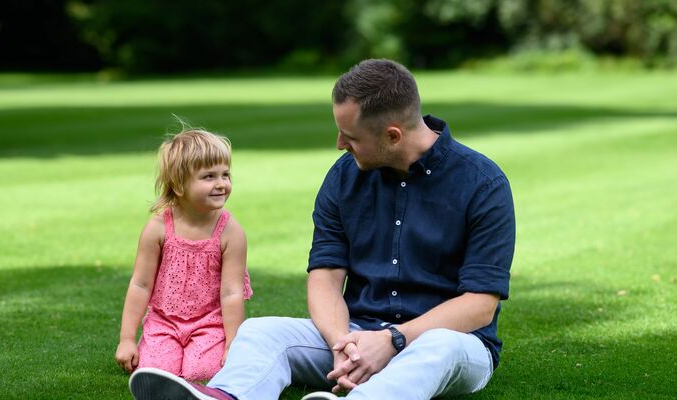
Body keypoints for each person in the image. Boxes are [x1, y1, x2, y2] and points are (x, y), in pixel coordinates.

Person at [128, 59, 515, 400]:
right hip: (355, 335)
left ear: (392, 135)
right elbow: (325, 277)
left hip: (451, 343)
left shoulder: (482, 184)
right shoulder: (343, 177)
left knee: (440, 346)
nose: (339, 143)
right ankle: (230, 396)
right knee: (261, 331)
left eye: (351, 137)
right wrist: (341, 342)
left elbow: (480, 304)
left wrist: (392, 340)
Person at [115, 127, 253, 382]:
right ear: (179, 185)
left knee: (201, 372)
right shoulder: (158, 228)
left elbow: (231, 292)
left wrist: (232, 344)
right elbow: (141, 284)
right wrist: (126, 339)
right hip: (164, 322)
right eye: (209, 176)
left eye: (225, 174)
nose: (221, 184)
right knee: (157, 373)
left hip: (210, 324)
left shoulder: (230, 232)